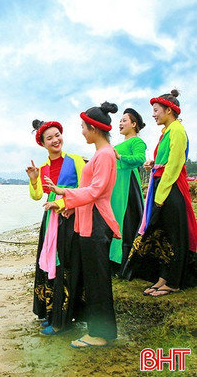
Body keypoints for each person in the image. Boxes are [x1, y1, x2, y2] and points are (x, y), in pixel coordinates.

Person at [44, 102, 121, 348]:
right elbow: (88, 191)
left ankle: (100, 334)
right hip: (88, 221)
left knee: (98, 279)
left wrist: (64, 197)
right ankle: (96, 328)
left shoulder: (106, 154)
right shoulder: (101, 154)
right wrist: (65, 200)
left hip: (98, 222)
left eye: (83, 127)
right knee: (93, 278)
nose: (81, 131)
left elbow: (96, 191)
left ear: (93, 129)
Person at [125, 90, 197, 296]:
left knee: (175, 235)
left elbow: (174, 166)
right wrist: (153, 164)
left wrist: (159, 197)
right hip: (163, 187)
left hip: (171, 189)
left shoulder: (177, 131)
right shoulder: (167, 131)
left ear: (169, 110)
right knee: (163, 234)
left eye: (156, 110)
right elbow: (165, 162)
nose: (154, 115)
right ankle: (163, 278)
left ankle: (174, 282)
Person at [25, 119, 85, 335]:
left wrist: (62, 202)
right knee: (47, 266)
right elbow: (37, 196)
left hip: (69, 218)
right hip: (50, 221)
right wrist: (33, 180)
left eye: (57, 135)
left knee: (64, 268)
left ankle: (62, 320)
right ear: (43, 143)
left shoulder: (76, 160)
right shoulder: (42, 168)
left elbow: (84, 189)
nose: (55, 140)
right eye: (49, 138)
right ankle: (51, 313)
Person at [109, 108, 146, 277]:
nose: (120, 123)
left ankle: (126, 265)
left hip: (127, 186)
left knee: (127, 221)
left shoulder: (137, 142)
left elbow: (140, 159)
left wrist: (120, 158)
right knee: (115, 219)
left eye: (124, 120)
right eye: (120, 121)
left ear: (133, 124)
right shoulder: (119, 144)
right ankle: (113, 261)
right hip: (116, 186)